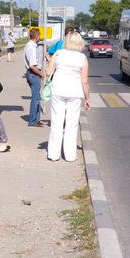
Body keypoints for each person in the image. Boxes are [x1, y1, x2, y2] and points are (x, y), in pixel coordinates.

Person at [45, 31, 90, 162]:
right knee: (72, 124)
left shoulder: (58, 54)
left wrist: (49, 62)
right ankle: (70, 155)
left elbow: (48, 72)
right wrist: (87, 98)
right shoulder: (82, 58)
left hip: (58, 91)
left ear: (66, 41)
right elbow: (84, 81)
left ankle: (53, 154)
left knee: (56, 122)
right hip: (75, 93)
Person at [24, 28, 43, 127]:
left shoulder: (30, 45)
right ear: (37, 36)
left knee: (37, 97)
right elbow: (32, 65)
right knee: (35, 98)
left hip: (32, 73)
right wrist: (41, 74)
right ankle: (32, 121)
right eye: (39, 35)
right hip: (34, 73)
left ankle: (36, 119)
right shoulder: (31, 47)